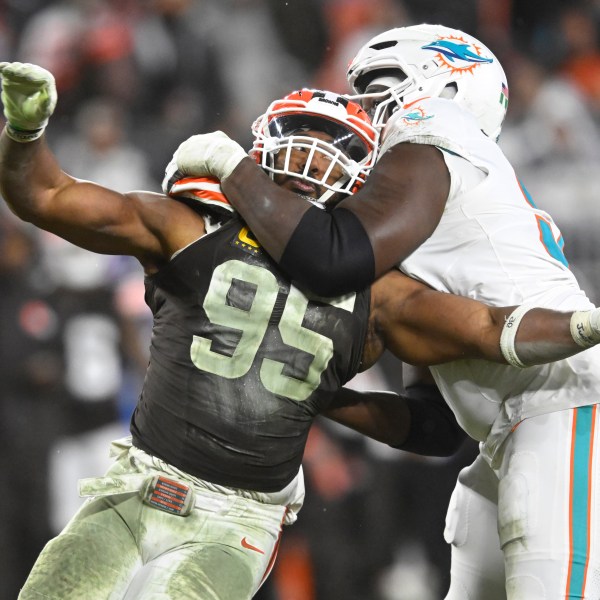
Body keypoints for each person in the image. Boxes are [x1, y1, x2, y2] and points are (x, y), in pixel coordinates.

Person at [1, 62, 599, 600]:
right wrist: (25, 134)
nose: (311, 156)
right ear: (263, 143)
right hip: (137, 487)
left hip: (239, 520)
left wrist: (584, 322)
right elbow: (46, 195)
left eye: (330, 144)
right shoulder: (190, 226)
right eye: (300, 137)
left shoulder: (380, 290)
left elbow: (492, 329)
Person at [164, 24, 600, 599]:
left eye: (375, 87)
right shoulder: (427, 232)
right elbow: (433, 425)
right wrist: (315, 391)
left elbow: (332, 257)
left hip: (565, 406)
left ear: (446, 87)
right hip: (507, 435)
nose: (361, 108)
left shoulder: (437, 132)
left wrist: (232, 166)